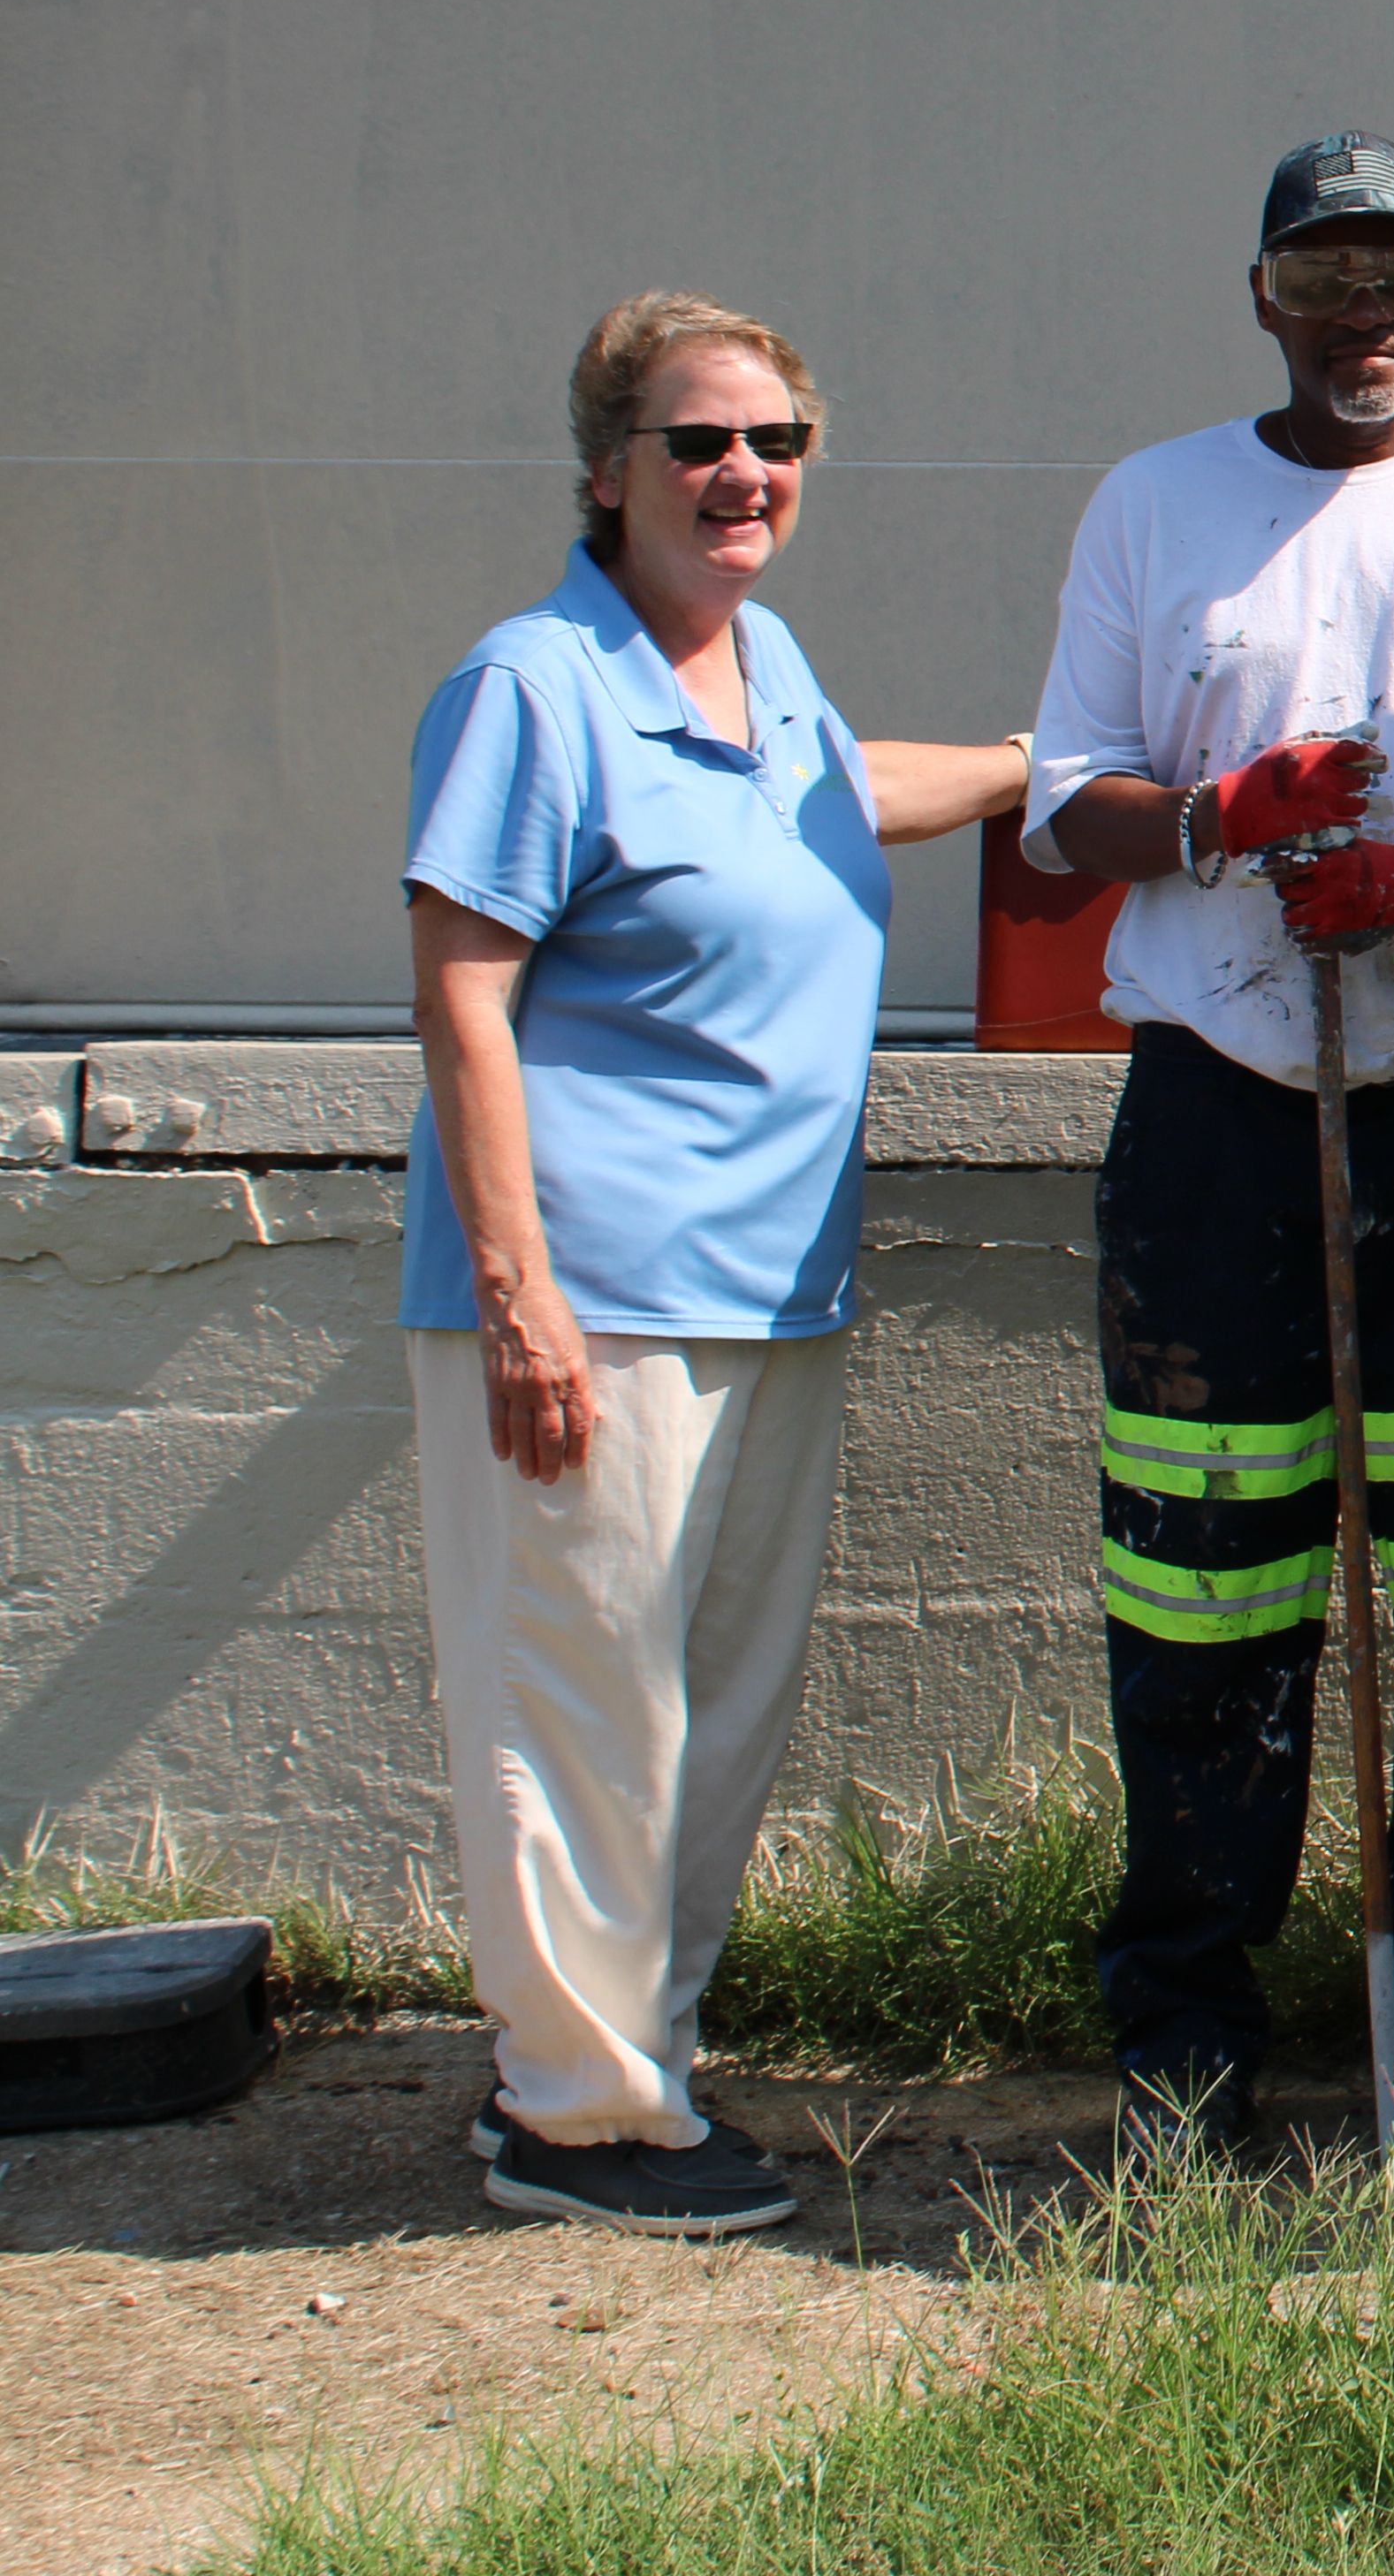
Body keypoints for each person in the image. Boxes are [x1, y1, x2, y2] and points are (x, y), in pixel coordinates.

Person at [402, 293, 1027, 2235]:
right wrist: (520, 1290)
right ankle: (570, 2112)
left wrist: (1041, 760)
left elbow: (846, 792)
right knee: (581, 1697)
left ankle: (641, 2063)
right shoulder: (541, 683)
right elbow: (462, 995)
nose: (740, 472)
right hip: (598, 1294)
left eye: (774, 441)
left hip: (777, 1288)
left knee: (713, 1705)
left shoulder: (760, 673)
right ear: (610, 473)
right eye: (696, 442)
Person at [1019, 129, 1394, 2151]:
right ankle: (1189, 2024)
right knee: (1204, 1577)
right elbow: (1064, 793)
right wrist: (1216, 821)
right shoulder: (1155, 501)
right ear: (1262, 293)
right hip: (1218, 1115)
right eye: (1329, 275)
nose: (1370, 314)